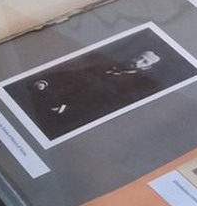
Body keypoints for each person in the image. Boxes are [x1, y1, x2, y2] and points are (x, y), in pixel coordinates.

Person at [9, 48, 166, 140]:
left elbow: (104, 108)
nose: (138, 62)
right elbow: (71, 75)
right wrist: (47, 81)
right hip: (47, 97)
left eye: (145, 62)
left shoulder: (131, 87)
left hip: (64, 115)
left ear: (147, 68)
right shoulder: (104, 67)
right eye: (140, 57)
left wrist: (65, 110)